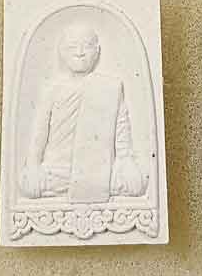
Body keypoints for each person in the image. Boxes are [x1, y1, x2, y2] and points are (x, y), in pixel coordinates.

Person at [19, 23, 145, 203]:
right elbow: (39, 134)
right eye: (72, 47)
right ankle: (88, 185)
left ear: (97, 51)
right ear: (62, 52)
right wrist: (33, 165)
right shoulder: (52, 90)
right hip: (58, 169)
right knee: (28, 185)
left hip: (99, 169)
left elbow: (122, 134)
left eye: (87, 46)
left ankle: (85, 184)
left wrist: (126, 162)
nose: (80, 52)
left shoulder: (111, 88)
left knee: (136, 184)